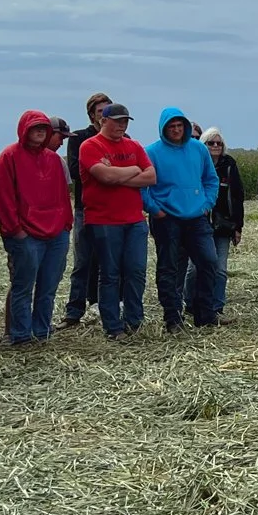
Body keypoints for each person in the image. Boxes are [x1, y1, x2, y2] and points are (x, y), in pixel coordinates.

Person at [0, 111, 74, 345]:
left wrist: (66, 225)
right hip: (26, 235)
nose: (39, 131)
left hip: (56, 232)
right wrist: (15, 230)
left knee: (48, 287)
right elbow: (3, 197)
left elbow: (63, 195)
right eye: (35, 127)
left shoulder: (54, 160)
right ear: (24, 129)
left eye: (43, 128)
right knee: (23, 286)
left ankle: (41, 331)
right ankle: (20, 335)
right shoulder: (9, 156)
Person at [79, 104, 155, 340]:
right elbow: (104, 175)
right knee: (110, 274)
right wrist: (133, 170)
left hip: (134, 220)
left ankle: (134, 320)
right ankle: (113, 326)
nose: (122, 125)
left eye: (125, 121)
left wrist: (117, 176)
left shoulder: (134, 145)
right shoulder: (90, 146)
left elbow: (151, 176)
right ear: (103, 121)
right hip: (104, 220)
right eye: (118, 121)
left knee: (136, 271)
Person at [145, 107, 223, 333]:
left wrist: (207, 204)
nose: (176, 130)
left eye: (180, 125)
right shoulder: (152, 152)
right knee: (169, 268)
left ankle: (205, 314)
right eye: (171, 126)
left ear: (186, 127)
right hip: (166, 218)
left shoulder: (198, 149)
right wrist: (154, 209)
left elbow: (211, 179)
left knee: (209, 261)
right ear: (163, 128)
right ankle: (172, 318)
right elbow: (142, 187)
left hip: (196, 217)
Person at [61, 93, 112, 329]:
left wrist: (102, 168)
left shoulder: (123, 138)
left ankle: (106, 307)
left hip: (113, 209)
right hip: (86, 208)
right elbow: (75, 170)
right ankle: (73, 312)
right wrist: (107, 170)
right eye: (101, 111)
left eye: (108, 110)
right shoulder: (79, 138)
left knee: (109, 262)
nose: (105, 115)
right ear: (92, 115)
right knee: (83, 261)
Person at [203, 130, 245, 309]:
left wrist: (238, 226)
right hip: (201, 223)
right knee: (196, 268)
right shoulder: (198, 163)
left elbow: (237, 196)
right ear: (204, 145)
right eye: (211, 143)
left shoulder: (229, 164)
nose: (215, 146)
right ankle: (191, 303)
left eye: (218, 143)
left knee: (220, 269)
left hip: (224, 224)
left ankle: (217, 306)